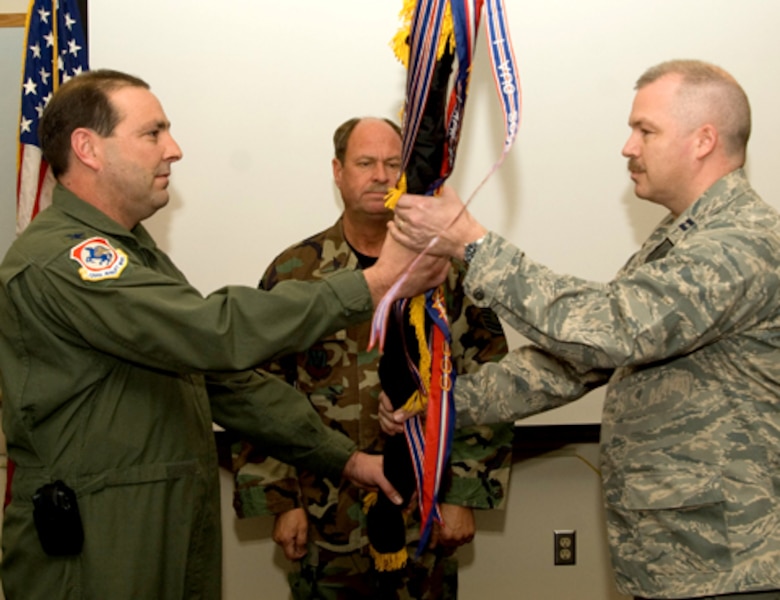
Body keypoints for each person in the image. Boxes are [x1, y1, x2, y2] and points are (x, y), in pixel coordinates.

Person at [0, 70, 447, 600]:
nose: (175, 149)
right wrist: (371, 284)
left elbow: (222, 383)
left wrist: (345, 458)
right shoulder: (66, 260)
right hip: (102, 543)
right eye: (153, 133)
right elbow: (212, 332)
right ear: (88, 148)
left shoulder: (135, 255)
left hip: (162, 525)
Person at [382, 60, 780, 600]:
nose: (628, 147)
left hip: (733, 567)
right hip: (681, 562)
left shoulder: (741, 243)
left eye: (646, 130)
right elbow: (578, 362)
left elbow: (611, 328)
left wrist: (472, 245)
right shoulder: (681, 239)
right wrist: (444, 402)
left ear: (703, 140)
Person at [225, 117, 514, 599]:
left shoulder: (445, 270)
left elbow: (491, 376)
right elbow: (259, 392)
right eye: (365, 163)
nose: (381, 175)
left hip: (426, 513)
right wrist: (280, 501)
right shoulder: (297, 271)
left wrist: (465, 494)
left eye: (393, 164)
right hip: (326, 517)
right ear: (338, 172)